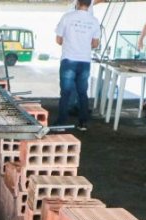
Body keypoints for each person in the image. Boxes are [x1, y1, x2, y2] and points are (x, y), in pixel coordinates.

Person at [55, 0, 101, 131]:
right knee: (82, 92)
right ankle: (83, 123)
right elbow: (95, 44)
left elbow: (58, 40)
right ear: (89, 4)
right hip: (85, 60)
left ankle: (62, 123)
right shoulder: (94, 21)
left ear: (77, 3)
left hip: (69, 58)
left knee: (65, 93)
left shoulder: (67, 17)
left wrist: (70, 42)